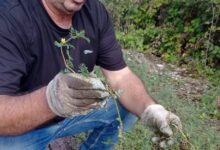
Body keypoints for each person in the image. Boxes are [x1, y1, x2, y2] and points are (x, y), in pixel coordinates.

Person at [0, 0, 182, 149]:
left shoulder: (94, 12)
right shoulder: (9, 16)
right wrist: (50, 100)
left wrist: (151, 110)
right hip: (20, 129)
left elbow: (121, 77)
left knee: (126, 103)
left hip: (69, 116)